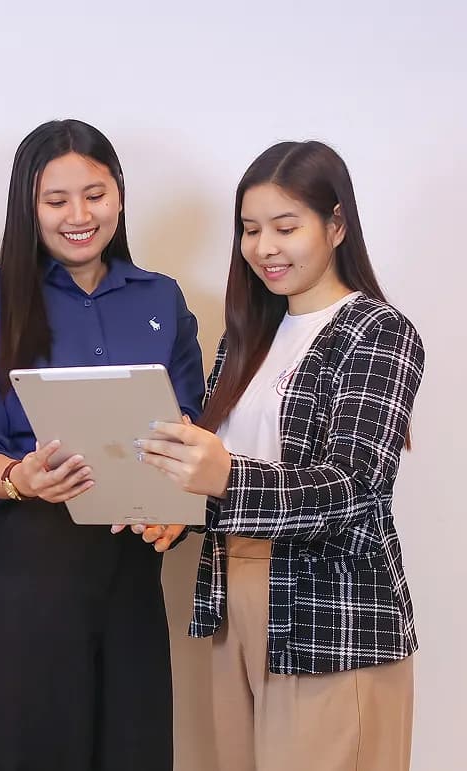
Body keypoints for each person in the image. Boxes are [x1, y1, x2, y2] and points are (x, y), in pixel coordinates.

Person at [134, 141, 424, 771]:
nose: (265, 247)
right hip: (229, 600)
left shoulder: (379, 330)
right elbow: (218, 470)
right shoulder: (248, 335)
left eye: (286, 227)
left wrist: (225, 479)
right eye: (250, 230)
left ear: (337, 226)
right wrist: (173, 510)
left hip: (331, 615)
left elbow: (354, 488)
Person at [0, 119, 205, 771]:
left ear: (120, 195)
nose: (79, 215)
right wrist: (21, 475)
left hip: (129, 566)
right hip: (23, 565)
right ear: (27, 207)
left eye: (96, 193)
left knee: (132, 746)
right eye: (56, 200)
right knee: (27, 750)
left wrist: (176, 507)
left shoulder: (162, 299)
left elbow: (191, 430)